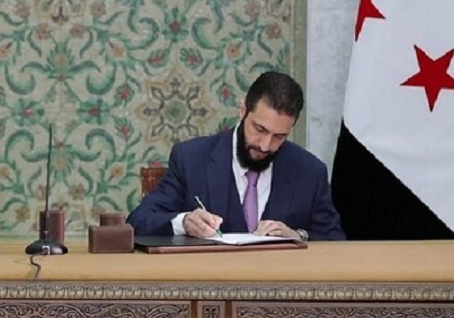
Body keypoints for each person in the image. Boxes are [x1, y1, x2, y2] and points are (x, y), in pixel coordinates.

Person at [127, 71, 345, 241]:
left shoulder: (310, 171)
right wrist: (184, 222)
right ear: (242, 111)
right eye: (259, 129)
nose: (265, 145)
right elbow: (139, 221)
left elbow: (335, 242)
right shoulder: (191, 159)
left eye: (279, 136)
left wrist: (298, 236)